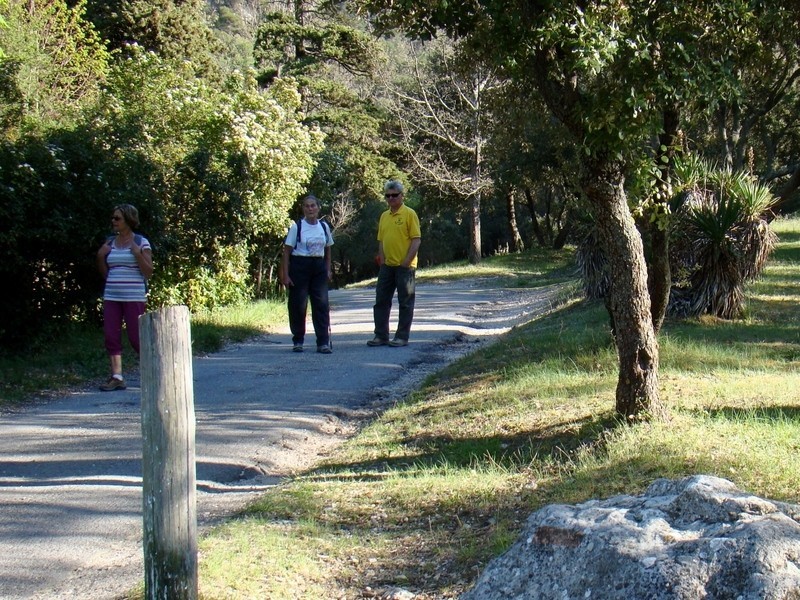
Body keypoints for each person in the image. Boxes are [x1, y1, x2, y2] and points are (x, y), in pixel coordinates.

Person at [96, 204, 153, 391]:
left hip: (134, 297)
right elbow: (105, 272)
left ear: (128, 220)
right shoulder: (110, 243)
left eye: (117, 218)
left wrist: (137, 255)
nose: (113, 221)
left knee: (136, 337)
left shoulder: (141, 242)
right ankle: (117, 376)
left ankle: (151, 372)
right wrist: (100, 257)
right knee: (111, 335)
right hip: (112, 295)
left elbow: (148, 272)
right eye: (113, 218)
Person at [367, 180, 422, 347]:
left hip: (405, 267)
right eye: (388, 196)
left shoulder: (409, 214)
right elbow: (381, 241)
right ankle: (381, 335)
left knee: (405, 302)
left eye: (394, 195)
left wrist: (406, 261)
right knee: (381, 300)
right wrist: (382, 260)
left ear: (401, 196)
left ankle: (402, 337)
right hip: (387, 266)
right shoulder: (384, 216)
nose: (391, 198)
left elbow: (416, 240)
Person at [281, 195, 334, 354]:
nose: (310, 209)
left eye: (313, 206)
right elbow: (286, 252)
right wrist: (285, 274)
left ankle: (323, 342)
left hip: (318, 267)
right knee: (298, 304)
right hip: (299, 266)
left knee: (321, 305)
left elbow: (328, 249)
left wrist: (328, 269)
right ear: (303, 209)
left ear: (318, 208)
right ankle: (298, 340)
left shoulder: (324, 227)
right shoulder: (297, 227)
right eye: (306, 206)